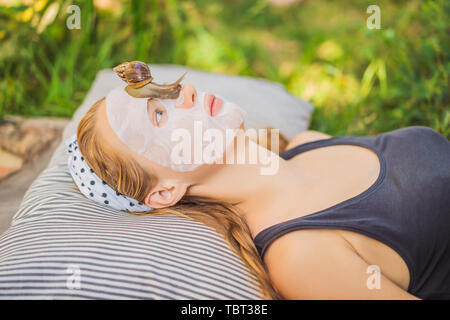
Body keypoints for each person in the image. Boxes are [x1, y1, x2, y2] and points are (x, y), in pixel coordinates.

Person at [70, 80, 450, 300]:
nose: (184, 92)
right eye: (159, 114)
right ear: (165, 192)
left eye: (164, 91)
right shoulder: (300, 257)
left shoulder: (309, 141)